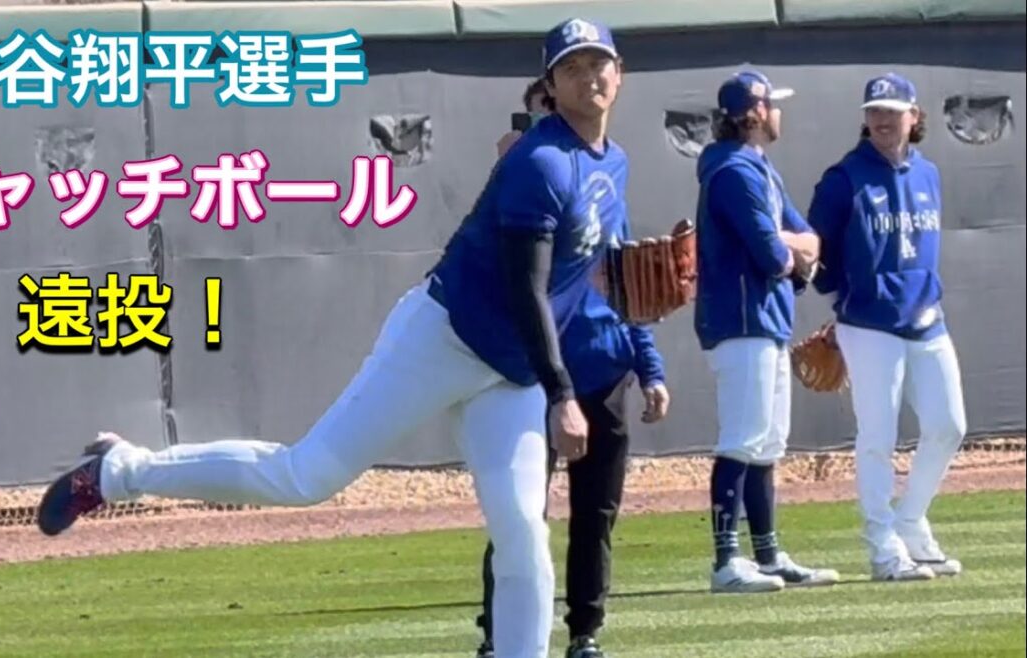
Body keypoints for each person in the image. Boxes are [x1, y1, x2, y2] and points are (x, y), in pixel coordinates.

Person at [36, 17, 630, 658]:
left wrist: (632, 312)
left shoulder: (613, 163)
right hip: (445, 338)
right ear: (551, 85)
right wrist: (562, 393)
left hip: (510, 373)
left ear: (619, 74)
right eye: (571, 67)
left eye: (597, 63)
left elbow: (582, 277)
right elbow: (527, 287)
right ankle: (120, 472)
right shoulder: (541, 162)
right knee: (306, 475)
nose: (588, 76)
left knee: (522, 534)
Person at [474, 78, 670, 658]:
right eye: (542, 111)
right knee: (518, 516)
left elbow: (628, 284)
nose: (553, 121)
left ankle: (586, 631)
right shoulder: (518, 182)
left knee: (596, 513)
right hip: (533, 378)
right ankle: (499, 635)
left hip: (602, 367)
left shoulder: (605, 177)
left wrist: (650, 367)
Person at [807, 72, 966, 582]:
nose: (882, 120)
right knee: (878, 435)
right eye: (874, 111)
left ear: (914, 117)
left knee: (949, 425)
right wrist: (844, 300)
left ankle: (911, 520)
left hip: (927, 318)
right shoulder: (844, 177)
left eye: (893, 111)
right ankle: (882, 546)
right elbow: (817, 250)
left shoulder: (929, 174)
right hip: (869, 323)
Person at [693, 70, 841, 593]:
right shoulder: (733, 171)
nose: (778, 113)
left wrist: (794, 247)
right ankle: (725, 560)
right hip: (741, 319)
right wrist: (792, 249)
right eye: (771, 105)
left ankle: (768, 554)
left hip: (767, 318)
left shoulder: (759, 167)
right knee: (743, 437)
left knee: (767, 441)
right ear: (754, 113)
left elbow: (810, 240)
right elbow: (773, 254)